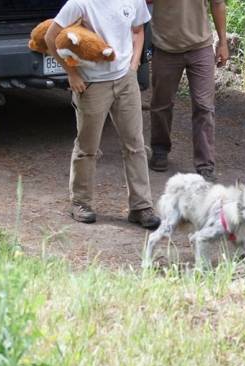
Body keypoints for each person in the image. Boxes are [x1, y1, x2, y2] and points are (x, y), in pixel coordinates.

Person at [45, 0, 161, 229]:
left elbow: (138, 30)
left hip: (126, 81)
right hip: (92, 84)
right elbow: (51, 37)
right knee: (87, 147)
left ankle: (141, 206)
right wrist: (72, 74)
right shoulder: (80, 3)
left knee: (135, 144)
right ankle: (80, 203)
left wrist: (134, 65)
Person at [147, 0, 229, 182]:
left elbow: (218, 3)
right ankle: (160, 149)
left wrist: (223, 42)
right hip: (165, 47)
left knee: (204, 106)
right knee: (162, 103)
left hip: (200, 46)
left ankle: (205, 164)